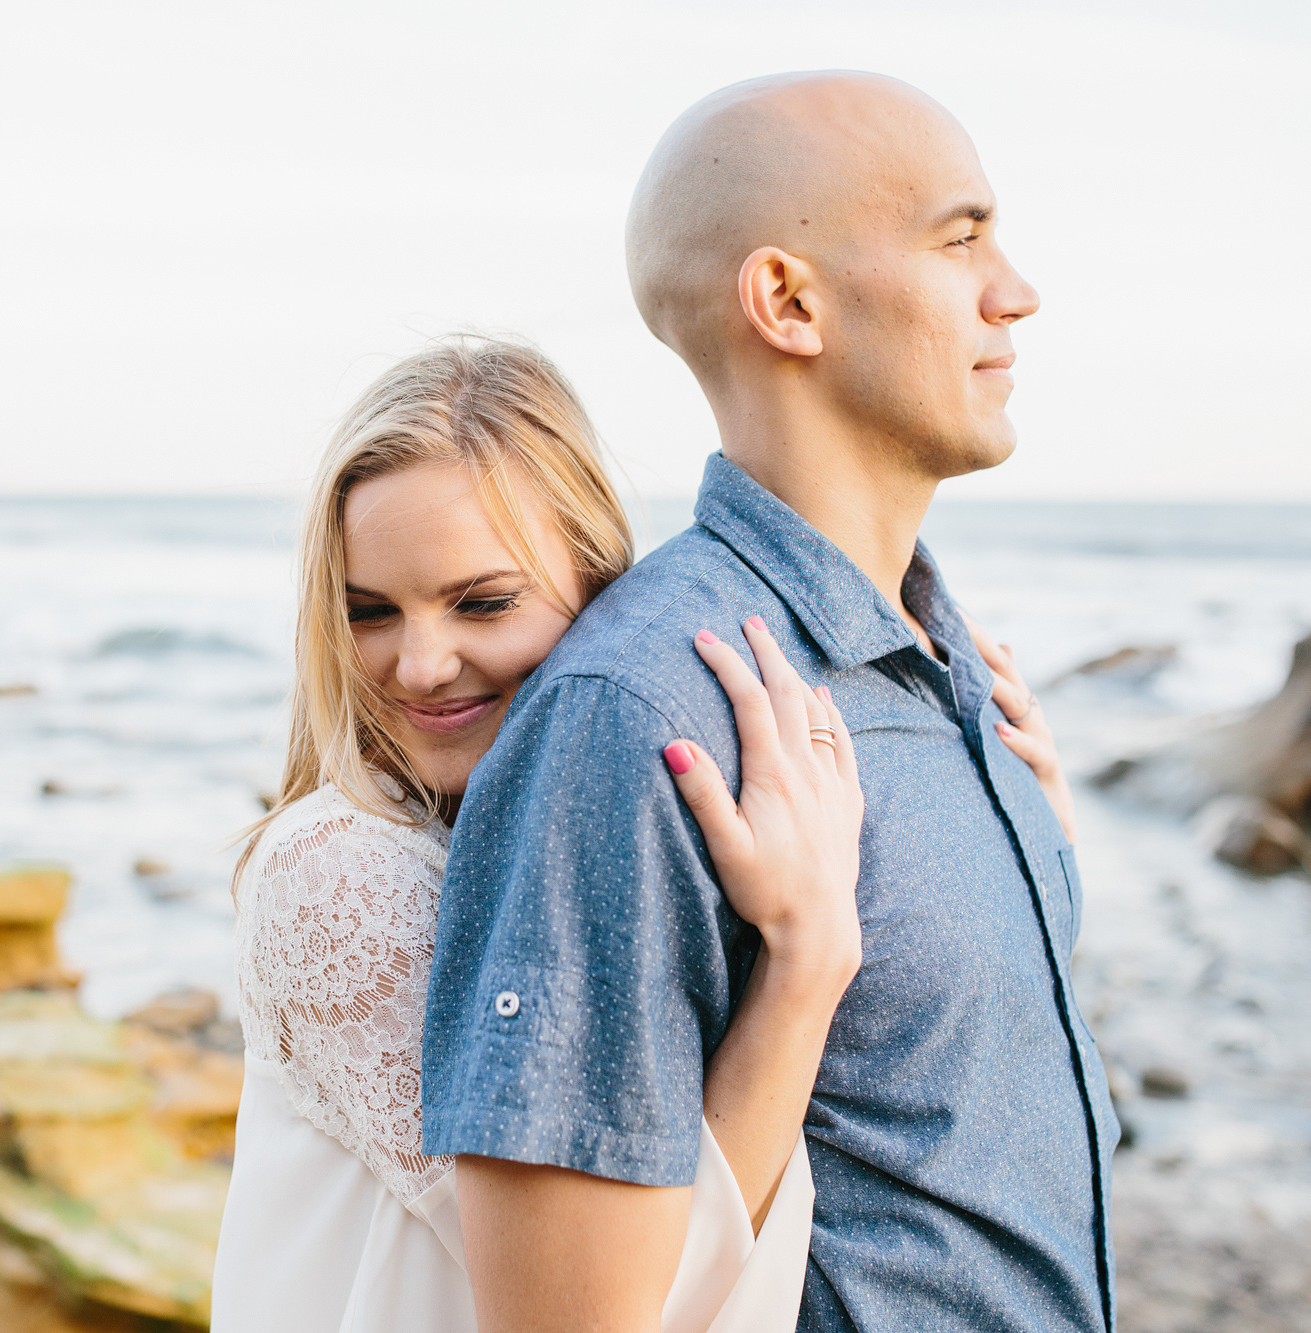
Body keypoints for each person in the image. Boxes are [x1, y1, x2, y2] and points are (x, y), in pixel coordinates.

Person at [422, 72, 1115, 1333]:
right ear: (787, 301)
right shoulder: (641, 714)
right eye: (960, 238)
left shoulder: (953, 674)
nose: (1013, 289)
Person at [211, 338, 866, 1332]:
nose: (422, 664)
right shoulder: (340, 867)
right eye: (369, 611)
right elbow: (617, 1306)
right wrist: (807, 960)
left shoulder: (520, 846)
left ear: (603, 590)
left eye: (482, 602)